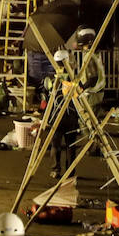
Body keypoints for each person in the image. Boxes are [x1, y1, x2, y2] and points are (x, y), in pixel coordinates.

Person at [40, 49, 79, 179]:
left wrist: (44, 118)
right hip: (71, 116)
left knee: (56, 145)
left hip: (56, 116)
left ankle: (56, 169)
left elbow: (45, 98)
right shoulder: (73, 78)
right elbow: (79, 94)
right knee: (70, 146)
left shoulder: (51, 78)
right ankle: (70, 171)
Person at [73, 27, 107, 111]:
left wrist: (82, 88)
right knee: (94, 120)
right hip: (98, 92)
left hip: (93, 94)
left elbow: (93, 78)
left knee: (87, 120)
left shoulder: (89, 56)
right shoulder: (95, 53)